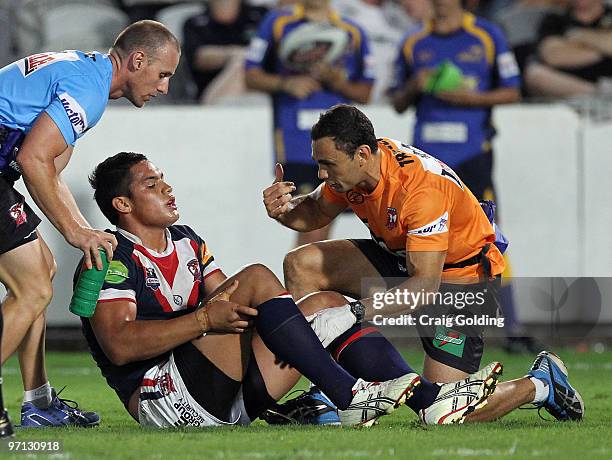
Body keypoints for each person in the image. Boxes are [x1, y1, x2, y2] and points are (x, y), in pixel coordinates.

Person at [80, 151, 503, 428]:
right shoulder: (109, 255)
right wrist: (205, 320)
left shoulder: (188, 241)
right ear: (123, 205)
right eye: (152, 186)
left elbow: (228, 302)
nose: (168, 189)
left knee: (321, 303)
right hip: (163, 401)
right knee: (260, 277)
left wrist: (224, 314)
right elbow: (119, 346)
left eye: (164, 179)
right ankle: (349, 395)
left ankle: (424, 399)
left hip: (226, 395)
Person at [262, 104, 584, 424]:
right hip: (405, 260)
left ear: (361, 154)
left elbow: (424, 287)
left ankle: (541, 384)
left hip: (459, 279)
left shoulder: (419, 191)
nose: (321, 174)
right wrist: (284, 210)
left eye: (327, 164)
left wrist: (349, 313)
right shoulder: (356, 171)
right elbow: (316, 212)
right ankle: (333, 393)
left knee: (443, 413)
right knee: (303, 263)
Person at [0, 20, 180, 434]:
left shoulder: (87, 73)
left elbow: (50, 170)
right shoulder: (88, 91)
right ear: (137, 61)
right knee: (33, 289)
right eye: (163, 74)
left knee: (42, 271)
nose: (165, 87)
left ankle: (39, 401)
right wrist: (76, 232)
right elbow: (34, 161)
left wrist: (84, 230)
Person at [245, 0, 373, 246]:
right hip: (296, 143)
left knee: (321, 223)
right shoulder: (278, 23)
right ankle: (305, 280)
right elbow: (250, 75)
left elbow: (365, 92)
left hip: (340, 144)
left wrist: (338, 82)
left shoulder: (353, 30)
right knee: (311, 223)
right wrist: (286, 84)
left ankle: (307, 280)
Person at [183, 0, 268, 102]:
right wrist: (233, 54)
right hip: (211, 88)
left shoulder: (261, 15)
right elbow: (197, 57)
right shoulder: (195, 23)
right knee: (242, 60)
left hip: (260, 87)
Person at [524, 0, 612, 98]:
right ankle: (600, 94)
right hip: (569, 84)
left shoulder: (609, 15)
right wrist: (603, 47)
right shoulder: (556, 18)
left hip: (607, 76)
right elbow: (554, 56)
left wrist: (580, 36)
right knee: (535, 73)